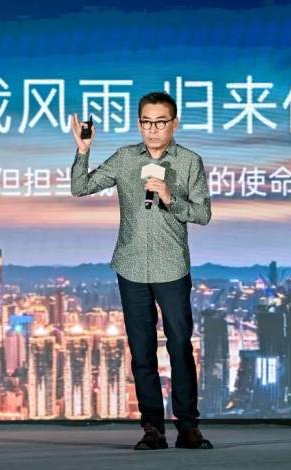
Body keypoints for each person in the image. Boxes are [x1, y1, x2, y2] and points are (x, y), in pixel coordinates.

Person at [70, 91, 213, 450]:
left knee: (179, 347)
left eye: (160, 122)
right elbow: (80, 187)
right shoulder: (125, 158)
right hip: (131, 266)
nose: (153, 129)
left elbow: (203, 213)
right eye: (147, 122)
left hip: (171, 267)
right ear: (139, 124)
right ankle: (152, 429)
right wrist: (83, 151)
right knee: (142, 351)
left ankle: (188, 427)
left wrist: (170, 197)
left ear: (174, 123)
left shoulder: (190, 162)